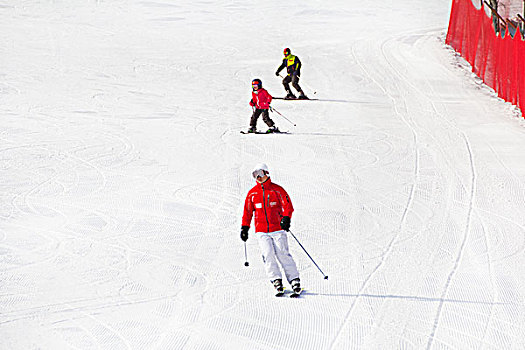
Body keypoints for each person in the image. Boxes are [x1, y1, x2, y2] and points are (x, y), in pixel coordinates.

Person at [240, 163, 301, 295]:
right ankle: (276, 280)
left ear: (266, 173)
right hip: (262, 230)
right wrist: (245, 227)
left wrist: (286, 218)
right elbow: (247, 212)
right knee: (267, 254)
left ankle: (294, 279)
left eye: (260, 174)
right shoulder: (252, 194)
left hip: (277, 228)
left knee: (282, 253)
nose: (258, 177)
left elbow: (288, 205)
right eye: (255, 175)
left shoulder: (277, 190)